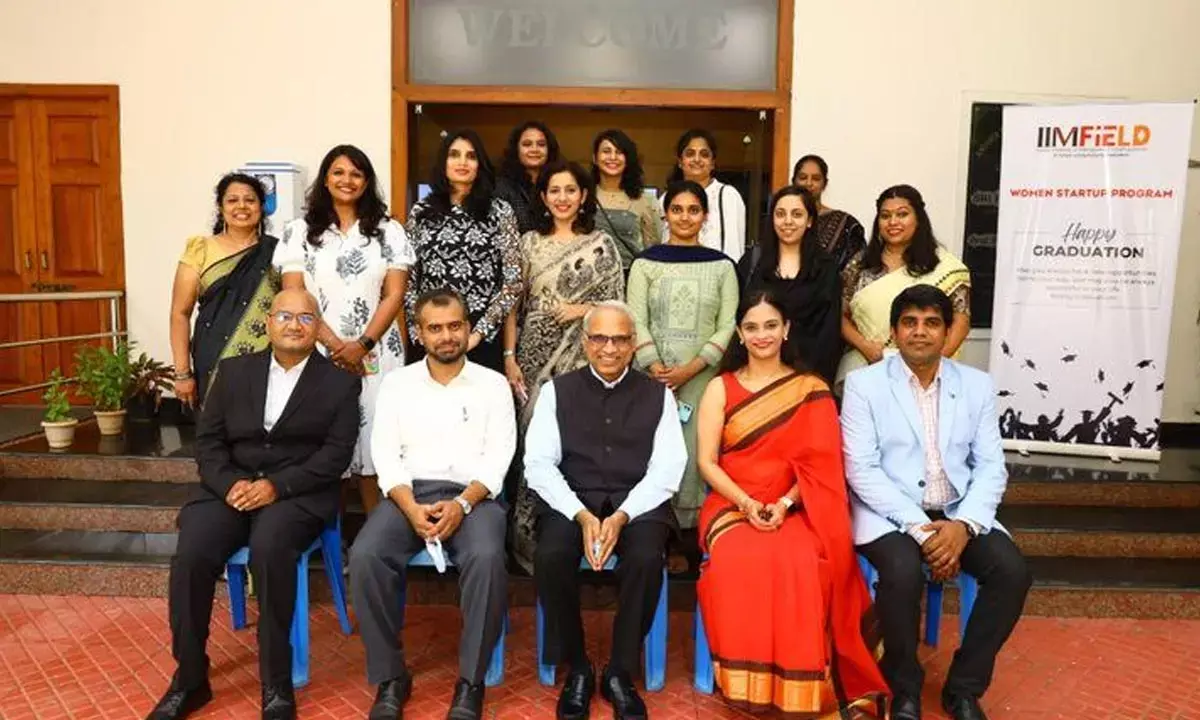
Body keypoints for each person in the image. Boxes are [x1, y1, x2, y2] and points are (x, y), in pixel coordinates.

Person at [146, 288, 361, 720]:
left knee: (270, 548)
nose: (294, 325)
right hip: (229, 489)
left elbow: (335, 456)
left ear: (318, 328)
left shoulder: (340, 382)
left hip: (296, 493)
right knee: (191, 554)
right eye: (285, 315)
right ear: (269, 322)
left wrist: (275, 487)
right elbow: (208, 442)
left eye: (305, 318)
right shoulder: (234, 370)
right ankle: (190, 677)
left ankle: (276, 683)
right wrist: (229, 485)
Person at [841, 285, 1032, 720]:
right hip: (888, 513)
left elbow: (990, 467)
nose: (920, 332)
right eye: (909, 322)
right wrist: (920, 528)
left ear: (948, 332)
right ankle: (903, 686)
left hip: (959, 509)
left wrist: (963, 526)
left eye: (931, 323)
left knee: (1013, 572)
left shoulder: (976, 385)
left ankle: (963, 688)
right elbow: (862, 470)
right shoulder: (863, 385)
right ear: (894, 332)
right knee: (903, 571)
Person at [695, 290, 889, 717]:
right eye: (751, 327)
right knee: (740, 557)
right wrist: (746, 503)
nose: (761, 335)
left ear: (786, 331)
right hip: (731, 504)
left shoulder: (811, 389)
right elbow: (707, 463)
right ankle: (748, 684)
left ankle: (801, 689)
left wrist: (783, 503)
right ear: (740, 335)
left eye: (770, 326)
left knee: (801, 559)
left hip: (796, 506)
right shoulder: (719, 388)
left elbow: (822, 465)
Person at [350, 288, 515, 720]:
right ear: (420, 334)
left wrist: (462, 503)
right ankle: (390, 677)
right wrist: (409, 507)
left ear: (467, 328)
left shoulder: (493, 385)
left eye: (455, 326)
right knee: (366, 556)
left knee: (486, 557)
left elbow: (500, 457)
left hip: (474, 496)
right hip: (409, 493)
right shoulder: (397, 383)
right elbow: (384, 452)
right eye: (435, 328)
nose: (446, 336)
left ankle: (471, 681)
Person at [525, 301, 687, 720]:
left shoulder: (658, 396)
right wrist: (580, 514)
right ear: (585, 342)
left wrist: (621, 516)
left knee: (647, 556)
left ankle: (619, 670)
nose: (609, 348)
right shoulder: (556, 392)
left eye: (620, 339)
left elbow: (668, 468)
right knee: (552, 554)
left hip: (639, 502)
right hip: (571, 498)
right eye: (599, 337)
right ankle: (578, 665)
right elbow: (539, 464)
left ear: (634, 345)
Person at [274, 144, 414, 515]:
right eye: (338, 172)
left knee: (376, 444)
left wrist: (363, 343)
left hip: (378, 350)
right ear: (325, 179)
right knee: (323, 444)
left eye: (355, 173)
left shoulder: (389, 231)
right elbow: (294, 295)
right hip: (317, 351)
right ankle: (327, 540)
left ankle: (376, 539)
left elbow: (395, 294)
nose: (347, 180)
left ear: (367, 181)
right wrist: (337, 345)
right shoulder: (299, 231)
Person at [503, 159, 625, 573]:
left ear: (583, 196)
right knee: (533, 447)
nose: (562, 198)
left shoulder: (601, 245)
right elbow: (512, 308)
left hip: (583, 359)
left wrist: (580, 308)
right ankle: (526, 544)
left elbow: (617, 306)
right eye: (554, 190)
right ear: (543, 196)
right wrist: (509, 358)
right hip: (532, 361)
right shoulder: (527, 244)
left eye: (570, 190)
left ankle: (577, 535)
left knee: (575, 446)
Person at [629, 180, 738, 532]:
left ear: (705, 216)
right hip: (652, 379)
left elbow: (729, 325)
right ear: (665, 214)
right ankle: (657, 534)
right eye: (677, 209)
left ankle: (696, 535)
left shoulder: (722, 266)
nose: (685, 217)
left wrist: (691, 369)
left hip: (705, 382)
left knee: (698, 454)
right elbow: (635, 319)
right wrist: (655, 367)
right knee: (654, 453)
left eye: (693, 210)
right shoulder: (645, 264)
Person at [405, 129, 521, 373]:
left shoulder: (500, 212)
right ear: (443, 163)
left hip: (481, 337)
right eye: (454, 155)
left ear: (480, 165)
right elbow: (408, 279)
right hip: (431, 335)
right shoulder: (421, 212)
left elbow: (513, 281)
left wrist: (478, 333)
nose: (462, 162)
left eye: (471, 156)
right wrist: (421, 333)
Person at [838, 184, 971, 389]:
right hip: (869, 366)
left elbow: (960, 321)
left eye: (902, 214)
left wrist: (928, 365)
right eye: (885, 216)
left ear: (918, 219)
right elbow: (840, 315)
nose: (893, 222)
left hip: (929, 374)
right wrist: (866, 347)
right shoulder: (860, 264)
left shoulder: (945, 267)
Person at [169, 173, 280, 408]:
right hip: (213, 357)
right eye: (232, 200)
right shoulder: (201, 250)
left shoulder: (277, 252)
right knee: (215, 435)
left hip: (265, 362)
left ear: (262, 206)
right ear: (221, 207)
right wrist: (182, 373)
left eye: (250, 200)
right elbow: (180, 314)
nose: (242, 206)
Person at [736, 185, 842, 383]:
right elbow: (740, 319)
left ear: (809, 221)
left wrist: (813, 380)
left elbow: (829, 334)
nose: (788, 221)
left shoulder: (827, 268)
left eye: (797, 214)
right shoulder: (752, 262)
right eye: (780, 214)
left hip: (809, 376)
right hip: (757, 375)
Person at [662, 129, 746, 260]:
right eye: (690, 154)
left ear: (712, 163)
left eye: (704, 154)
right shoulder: (666, 198)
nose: (697, 159)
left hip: (717, 273)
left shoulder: (728, 196)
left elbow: (735, 246)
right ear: (680, 161)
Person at [590, 129, 663, 273]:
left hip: (630, 277)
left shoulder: (644, 199)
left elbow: (653, 248)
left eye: (619, 152)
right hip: (590, 279)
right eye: (606, 151)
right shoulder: (583, 195)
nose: (613, 157)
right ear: (595, 158)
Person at [792, 154, 867, 271]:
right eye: (803, 177)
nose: (809, 183)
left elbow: (856, 271)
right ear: (794, 182)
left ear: (824, 184)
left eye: (816, 179)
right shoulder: (783, 223)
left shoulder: (845, 224)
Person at [494, 120, 561, 234]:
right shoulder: (502, 187)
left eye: (541, 144)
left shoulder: (559, 182)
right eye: (527, 144)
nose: (534, 149)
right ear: (516, 149)